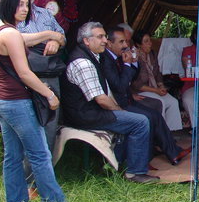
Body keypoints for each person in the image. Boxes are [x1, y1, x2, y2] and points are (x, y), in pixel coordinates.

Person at [0, 0, 65, 202]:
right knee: (39, 153)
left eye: (26, 4)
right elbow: (24, 73)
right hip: (16, 102)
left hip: (0, 100)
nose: (24, 9)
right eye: (20, 4)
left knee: (12, 156)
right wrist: (49, 94)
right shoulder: (12, 34)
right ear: (7, 5)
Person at [60, 22, 158, 183]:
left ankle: (117, 164)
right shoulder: (83, 63)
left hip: (89, 111)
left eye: (105, 36)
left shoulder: (91, 56)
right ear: (86, 40)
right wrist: (120, 111)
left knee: (135, 118)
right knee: (140, 122)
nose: (105, 40)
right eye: (100, 37)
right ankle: (134, 173)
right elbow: (101, 99)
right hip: (85, 115)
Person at [102, 27, 188, 166]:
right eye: (121, 42)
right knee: (147, 117)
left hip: (127, 99)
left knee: (155, 115)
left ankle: (173, 153)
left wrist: (133, 63)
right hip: (118, 104)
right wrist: (127, 64)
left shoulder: (117, 57)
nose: (125, 45)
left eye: (126, 41)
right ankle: (145, 158)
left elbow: (132, 76)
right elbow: (121, 86)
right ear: (109, 44)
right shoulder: (106, 60)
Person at [130, 30, 183, 131]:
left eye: (149, 40)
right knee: (160, 102)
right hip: (141, 91)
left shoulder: (152, 54)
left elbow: (158, 73)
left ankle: (170, 132)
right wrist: (156, 91)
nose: (150, 43)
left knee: (173, 102)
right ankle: (160, 133)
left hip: (154, 88)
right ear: (138, 44)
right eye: (146, 41)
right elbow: (136, 84)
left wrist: (161, 86)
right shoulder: (134, 58)